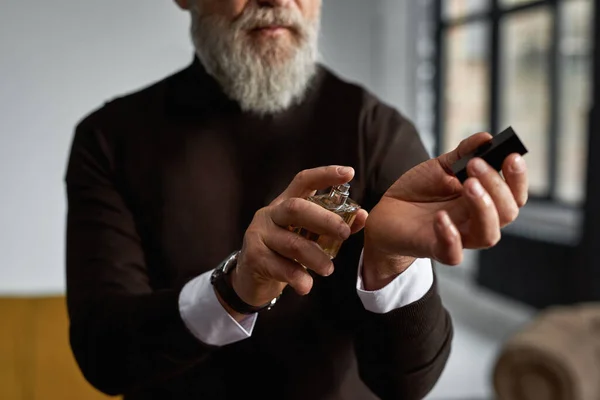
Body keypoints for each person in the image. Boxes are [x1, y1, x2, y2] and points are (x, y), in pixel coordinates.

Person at [64, 0, 529, 399]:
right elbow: (104, 357)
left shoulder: (376, 130)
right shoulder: (108, 139)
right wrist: (234, 289)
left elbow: (407, 385)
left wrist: (391, 264)